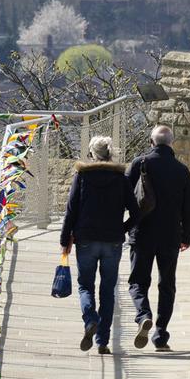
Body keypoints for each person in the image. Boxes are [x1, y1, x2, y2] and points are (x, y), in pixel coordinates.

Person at [60, 136, 140, 355]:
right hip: (112, 242)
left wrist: (64, 240)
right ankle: (102, 340)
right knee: (108, 289)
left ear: (91, 154)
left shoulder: (82, 177)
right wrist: (122, 229)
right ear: (110, 153)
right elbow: (136, 212)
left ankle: (89, 320)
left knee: (86, 285)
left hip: (85, 240)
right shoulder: (121, 179)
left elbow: (71, 210)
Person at [126, 125, 190, 351]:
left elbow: (124, 196)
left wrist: (122, 226)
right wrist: (187, 237)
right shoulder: (181, 170)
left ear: (151, 142)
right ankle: (160, 335)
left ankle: (143, 315)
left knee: (138, 281)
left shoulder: (139, 164)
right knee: (167, 285)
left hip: (142, 233)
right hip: (170, 236)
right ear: (171, 143)